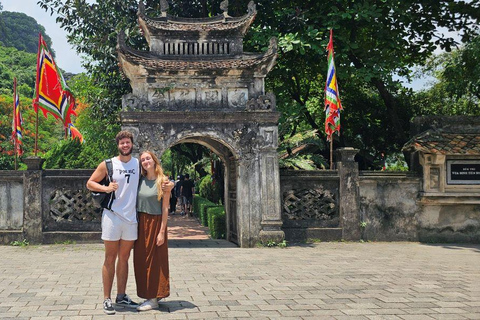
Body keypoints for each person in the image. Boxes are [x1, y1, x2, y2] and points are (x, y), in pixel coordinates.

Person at [86, 131, 140, 314]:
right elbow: (90, 183)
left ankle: (122, 295)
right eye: (122, 143)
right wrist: (106, 187)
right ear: (118, 145)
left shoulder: (138, 164)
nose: (125, 145)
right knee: (110, 258)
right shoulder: (108, 164)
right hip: (112, 216)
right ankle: (106, 299)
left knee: (124, 258)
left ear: (132, 144)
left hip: (131, 218)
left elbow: (154, 178)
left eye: (128, 142)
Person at [134, 151, 171, 311]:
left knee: (155, 259)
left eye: (148, 158)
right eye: (142, 160)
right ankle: (149, 294)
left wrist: (162, 231)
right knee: (141, 259)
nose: (145, 161)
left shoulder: (163, 181)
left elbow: (165, 208)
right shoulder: (139, 180)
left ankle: (154, 297)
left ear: (154, 160)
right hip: (140, 222)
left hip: (156, 222)